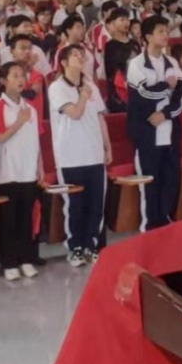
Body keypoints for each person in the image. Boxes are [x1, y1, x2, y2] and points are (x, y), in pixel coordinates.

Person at [48, 45, 111, 266]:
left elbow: (100, 118)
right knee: (75, 206)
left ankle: (91, 246)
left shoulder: (91, 85)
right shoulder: (57, 87)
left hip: (94, 154)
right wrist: (83, 95)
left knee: (96, 205)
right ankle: (74, 248)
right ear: (64, 62)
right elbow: (74, 113)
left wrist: (107, 146)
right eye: (75, 55)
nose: (81, 58)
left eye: (82, 55)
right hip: (70, 157)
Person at [127, 17, 182, 230]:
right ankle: (150, 228)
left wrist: (165, 114)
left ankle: (166, 224)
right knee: (150, 184)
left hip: (169, 131)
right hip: (147, 132)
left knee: (171, 181)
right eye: (160, 31)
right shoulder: (136, 64)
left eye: (166, 31)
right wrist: (166, 86)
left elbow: (180, 96)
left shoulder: (172, 63)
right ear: (148, 36)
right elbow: (143, 94)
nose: (165, 35)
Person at [0, 62, 45, 280]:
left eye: (22, 75)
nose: (21, 79)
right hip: (7, 173)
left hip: (28, 172)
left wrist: (40, 168)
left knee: (26, 219)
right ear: (3, 81)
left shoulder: (31, 109)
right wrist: (19, 122)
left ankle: (26, 259)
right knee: (8, 221)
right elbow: (0, 137)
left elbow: (37, 141)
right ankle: (9, 263)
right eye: (15, 75)